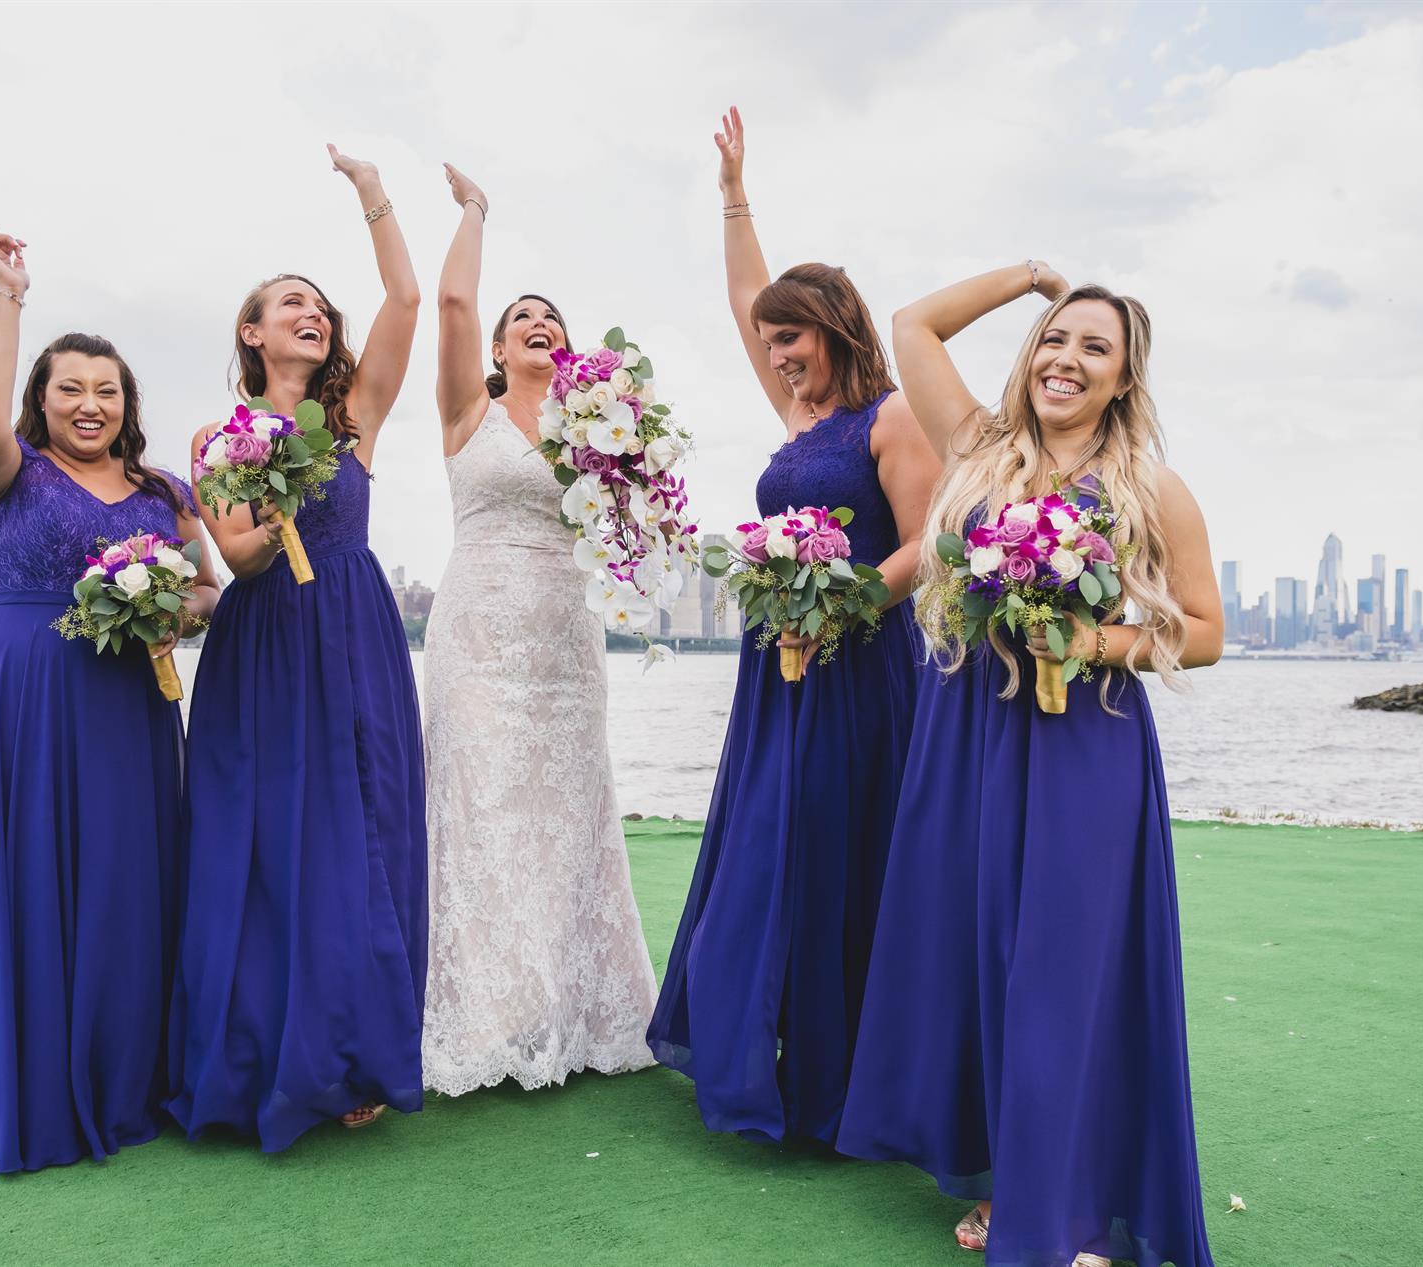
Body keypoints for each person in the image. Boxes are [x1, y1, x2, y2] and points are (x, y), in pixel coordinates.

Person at [837, 262, 1222, 1267]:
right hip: (966, 730)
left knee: (1061, 967)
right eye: (1056, 339)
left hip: (1084, 740)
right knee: (978, 954)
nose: (1067, 359)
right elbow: (912, 324)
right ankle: (1005, 1176)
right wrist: (1031, 281)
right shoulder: (976, 447)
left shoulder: (1150, 487)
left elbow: (1205, 632)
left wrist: (1093, 641)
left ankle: (1067, 1205)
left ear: (1124, 378)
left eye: (1096, 347)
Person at [647, 107, 939, 1142]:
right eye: (769, 344)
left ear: (835, 329)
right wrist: (734, 193)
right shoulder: (797, 415)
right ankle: (759, 1047)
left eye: (791, 338)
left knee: (840, 848)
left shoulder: (890, 417)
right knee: (767, 846)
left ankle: (840, 1077)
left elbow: (926, 545)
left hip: (861, 666)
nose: (774, 355)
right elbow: (744, 300)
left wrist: (840, 604)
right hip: (776, 669)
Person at [0, 226, 218, 1175]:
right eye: (69, 389)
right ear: (39, 400)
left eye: (107, 390)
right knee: (24, 880)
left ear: (128, 404)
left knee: (126, 882)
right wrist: (9, 294)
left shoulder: (166, 489)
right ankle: (29, 1088)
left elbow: (209, 590)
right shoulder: (5, 470)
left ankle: (125, 1080)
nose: (90, 404)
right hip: (20, 695)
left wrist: (171, 608)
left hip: (129, 704)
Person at [166, 147, 426, 1148]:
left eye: (319, 306)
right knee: (268, 840)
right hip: (267, 643)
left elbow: (405, 298)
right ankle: (261, 1054)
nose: (310, 313)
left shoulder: (354, 418)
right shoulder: (217, 437)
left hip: (355, 632)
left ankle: (355, 1052)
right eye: (289, 304)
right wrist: (272, 503)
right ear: (253, 332)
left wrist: (372, 194)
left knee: (363, 831)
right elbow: (236, 556)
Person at [418, 164, 658, 1098]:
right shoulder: (467, 411)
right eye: (523, 317)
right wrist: (476, 211)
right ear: (498, 345)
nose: (540, 323)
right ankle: (484, 1019)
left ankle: (575, 1008)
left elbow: (632, 526)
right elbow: (449, 302)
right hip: (479, 637)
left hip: (566, 640)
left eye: (552, 317)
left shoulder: (592, 431)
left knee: (566, 815)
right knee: (478, 810)